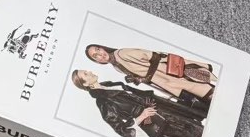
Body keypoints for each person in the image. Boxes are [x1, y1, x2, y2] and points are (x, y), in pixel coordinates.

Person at [71, 69, 204, 137]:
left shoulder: (110, 85)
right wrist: (141, 117)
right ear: (86, 84)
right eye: (85, 74)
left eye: (86, 71)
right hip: (159, 122)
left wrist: (163, 99)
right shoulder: (102, 101)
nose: (89, 72)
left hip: (163, 108)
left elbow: (138, 95)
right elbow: (120, 129)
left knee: (199, 125)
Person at [84, 42, 216, 113]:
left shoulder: (122, 53)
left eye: (98, 49)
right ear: (97, 62)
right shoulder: (116, 66)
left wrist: (144, 78)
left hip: (168, 73)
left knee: (203, 89)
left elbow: (155, 57)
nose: (100, 55)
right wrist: (136, 79)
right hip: (164, 83)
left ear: (102, 48)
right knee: (197, 97)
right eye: (96, 56)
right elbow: (142, 72)